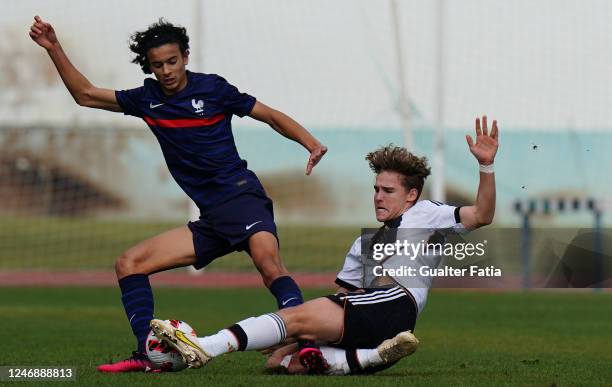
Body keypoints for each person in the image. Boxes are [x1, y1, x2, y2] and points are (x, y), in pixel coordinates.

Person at [29, 16, 328, 372]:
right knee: (129, 264)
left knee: (269, 265)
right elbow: (86, 95)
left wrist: (309, 142)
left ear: (185, 57)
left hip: (241, 195)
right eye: (158, 65)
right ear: (150, 67)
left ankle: (307, 346)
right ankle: (147, 354)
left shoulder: (213, 89)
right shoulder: (147, 99)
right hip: (212, 217)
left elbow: (269, 115)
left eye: (173, 61)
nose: (167, 70)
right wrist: (54, 48)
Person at [150, 116, 499, 374]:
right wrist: (295, 338)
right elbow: (342, 293)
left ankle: (205, 347)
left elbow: (481, 214)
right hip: (371, 319)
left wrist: (486, 166)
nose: (378, 197)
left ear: (411, 195)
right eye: (376, 189)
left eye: (388, 191)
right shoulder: (365, 243)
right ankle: (374, 357)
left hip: (394, 305)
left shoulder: (426, 214)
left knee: (295, 318)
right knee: (284, 363)